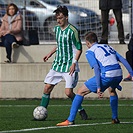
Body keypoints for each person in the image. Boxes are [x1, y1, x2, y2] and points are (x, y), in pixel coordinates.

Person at [56, 32, 133, 126]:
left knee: (80, 91)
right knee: (112, 90)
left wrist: (98, 87)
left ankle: (70, 120)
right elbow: (123, 59)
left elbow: (96, 68)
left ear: (87, 43)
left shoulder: (90, 51)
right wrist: (131, 73)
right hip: (118, 74)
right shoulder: (107, 46)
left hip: (107, 74)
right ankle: (115, 118)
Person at [39, 6, 88, 120]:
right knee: (47, 88)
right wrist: (50, 53)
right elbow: (59, 44)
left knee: (68, 93)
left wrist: (74, 63)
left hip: (69, 65)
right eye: (57, 18)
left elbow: (79, 48)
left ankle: (81, 109)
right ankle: (41, 112)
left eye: (60, 18)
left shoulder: (73, 31)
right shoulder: (56, 29)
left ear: (66, 17)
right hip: (58, 64)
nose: (58, 20)